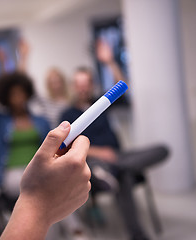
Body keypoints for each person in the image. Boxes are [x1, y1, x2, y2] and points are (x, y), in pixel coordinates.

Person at [60, 65, 168, 240]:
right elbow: (67, 147)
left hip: (119, 156)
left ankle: (112, 170)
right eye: (78, 84)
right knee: (123, 175)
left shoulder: (101, 104)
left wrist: (109, 61)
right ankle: (137, 235)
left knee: (162, 150)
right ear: (73, 86)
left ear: (92, 84)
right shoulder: (67, 114)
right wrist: (99, 152)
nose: (82, 88)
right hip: (93, 160)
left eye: (86, 83)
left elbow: (123, 85)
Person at [0, 72, 51, 200]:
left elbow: (51, 148)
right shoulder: (0, 121)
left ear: (27, 94)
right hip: (12, 173)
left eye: (21, 93)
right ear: (6, 98)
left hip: (39, 169)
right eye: (13, 95)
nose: (18, 98)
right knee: (35, 192)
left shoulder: (41, 121)